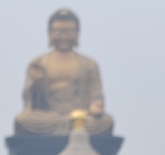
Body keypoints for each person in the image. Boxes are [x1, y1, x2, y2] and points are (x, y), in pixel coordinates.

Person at [14, 8, 115, 137]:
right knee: (21, 120)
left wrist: (96, 105)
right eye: (58, 32)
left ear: (77, 33)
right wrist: (36, 83)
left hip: (80, 118)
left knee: (107, 121)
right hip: (49, 117)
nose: (63, 36)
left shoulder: (89, 64)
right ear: (49, 33)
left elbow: (96, 94)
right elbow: (30, 103)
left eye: (69, 32)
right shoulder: (38, 63)